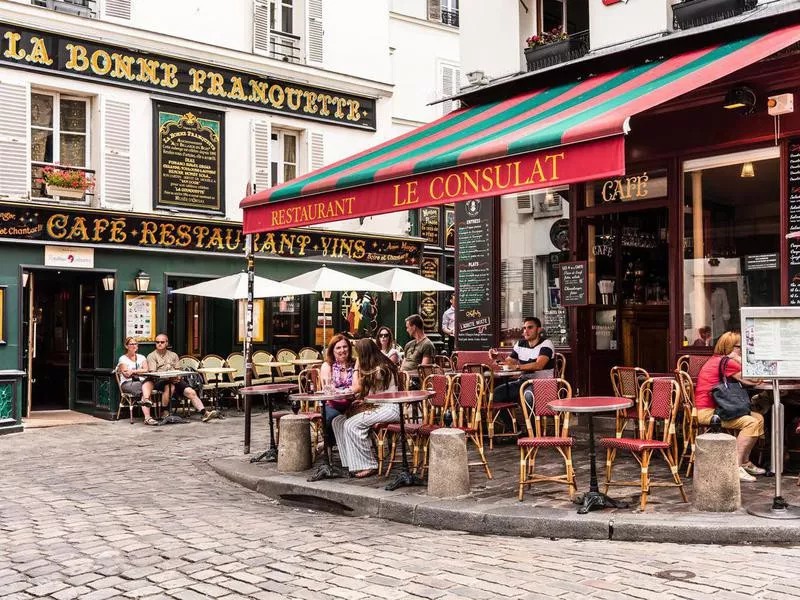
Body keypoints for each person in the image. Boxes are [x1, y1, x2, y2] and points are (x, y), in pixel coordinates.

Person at [695, 331, 765, 482]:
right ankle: (736, 466)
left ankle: (745, 462)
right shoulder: (728, 362)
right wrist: (739, 359)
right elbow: (755, 379)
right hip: (709, 413)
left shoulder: (716, 359)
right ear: (732, 347)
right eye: (741, 347)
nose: (743, 350)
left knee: (758, 418)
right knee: (751, 422)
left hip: (714, 408)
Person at [331, 338, 400, 478]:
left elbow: (358, 386)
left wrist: (356, 366)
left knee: (351, 424)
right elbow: (372, 391)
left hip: (389, 408)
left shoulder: (381, 368)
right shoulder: (373, 367)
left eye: (358, 354)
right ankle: (350, 462)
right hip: (377, 406)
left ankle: (369, 464)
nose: (357, 356)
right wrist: (362, 400)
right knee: (337, 421)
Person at [145, 333, 217, 422]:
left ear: (167, 343)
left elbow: (178, 369)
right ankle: (164, 412)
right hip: (160, 381)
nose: (159, 344)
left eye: (162, 342)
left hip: (175, 379)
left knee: (191, 392)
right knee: (170, 387)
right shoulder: (151, 356)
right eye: (157, 342)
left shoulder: (173, 355)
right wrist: (169, 378)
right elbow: (153, 373)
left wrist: (178, 377)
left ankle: (204, 413)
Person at [496, 316, 555, 407]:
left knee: (528, 395)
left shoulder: (546, 344)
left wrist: (517, 367)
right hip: (523, 381)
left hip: (542, 383)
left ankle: (532, 421)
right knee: (497, 394)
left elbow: (539, 365)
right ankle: (512, 422)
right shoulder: (520, 344)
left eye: (530, 327)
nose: (526, 331)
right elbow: (509, 362)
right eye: (524, 328)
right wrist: (497, 358)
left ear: (539, 330)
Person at [319, 334, 356, 444]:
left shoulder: (355, 364)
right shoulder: (327, 365)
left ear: (349, 348)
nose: (342, 350)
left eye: (345, 347)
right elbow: (327, 389)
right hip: (332, 403)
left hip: (352, 403)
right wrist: (345, 391)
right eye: (338, 348)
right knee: (333, 418)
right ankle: (333, 443)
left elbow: (360, 385)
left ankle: (347, 445)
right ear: (332, 350)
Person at [117, 337, 159, 426]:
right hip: (128, 383)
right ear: (126, 346)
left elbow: (147, 370)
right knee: (146, 389)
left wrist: (133, 371)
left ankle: (147, 413)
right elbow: (127, 375)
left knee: (148, 383)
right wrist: (139, 371)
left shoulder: (141, 357)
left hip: (141, 382)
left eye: (136, 344)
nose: (134, 346)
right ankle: (148, 417)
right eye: (132, 344)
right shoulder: (122, 359)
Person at [400, 314, 436, 389]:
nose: (407, 330)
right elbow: (403, 364)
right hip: (404, 378)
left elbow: (423, 370)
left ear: (414, 327)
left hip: (415, 381)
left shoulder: (427, 344)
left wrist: (407, 376)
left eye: (407, 327)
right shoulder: (408, 345)